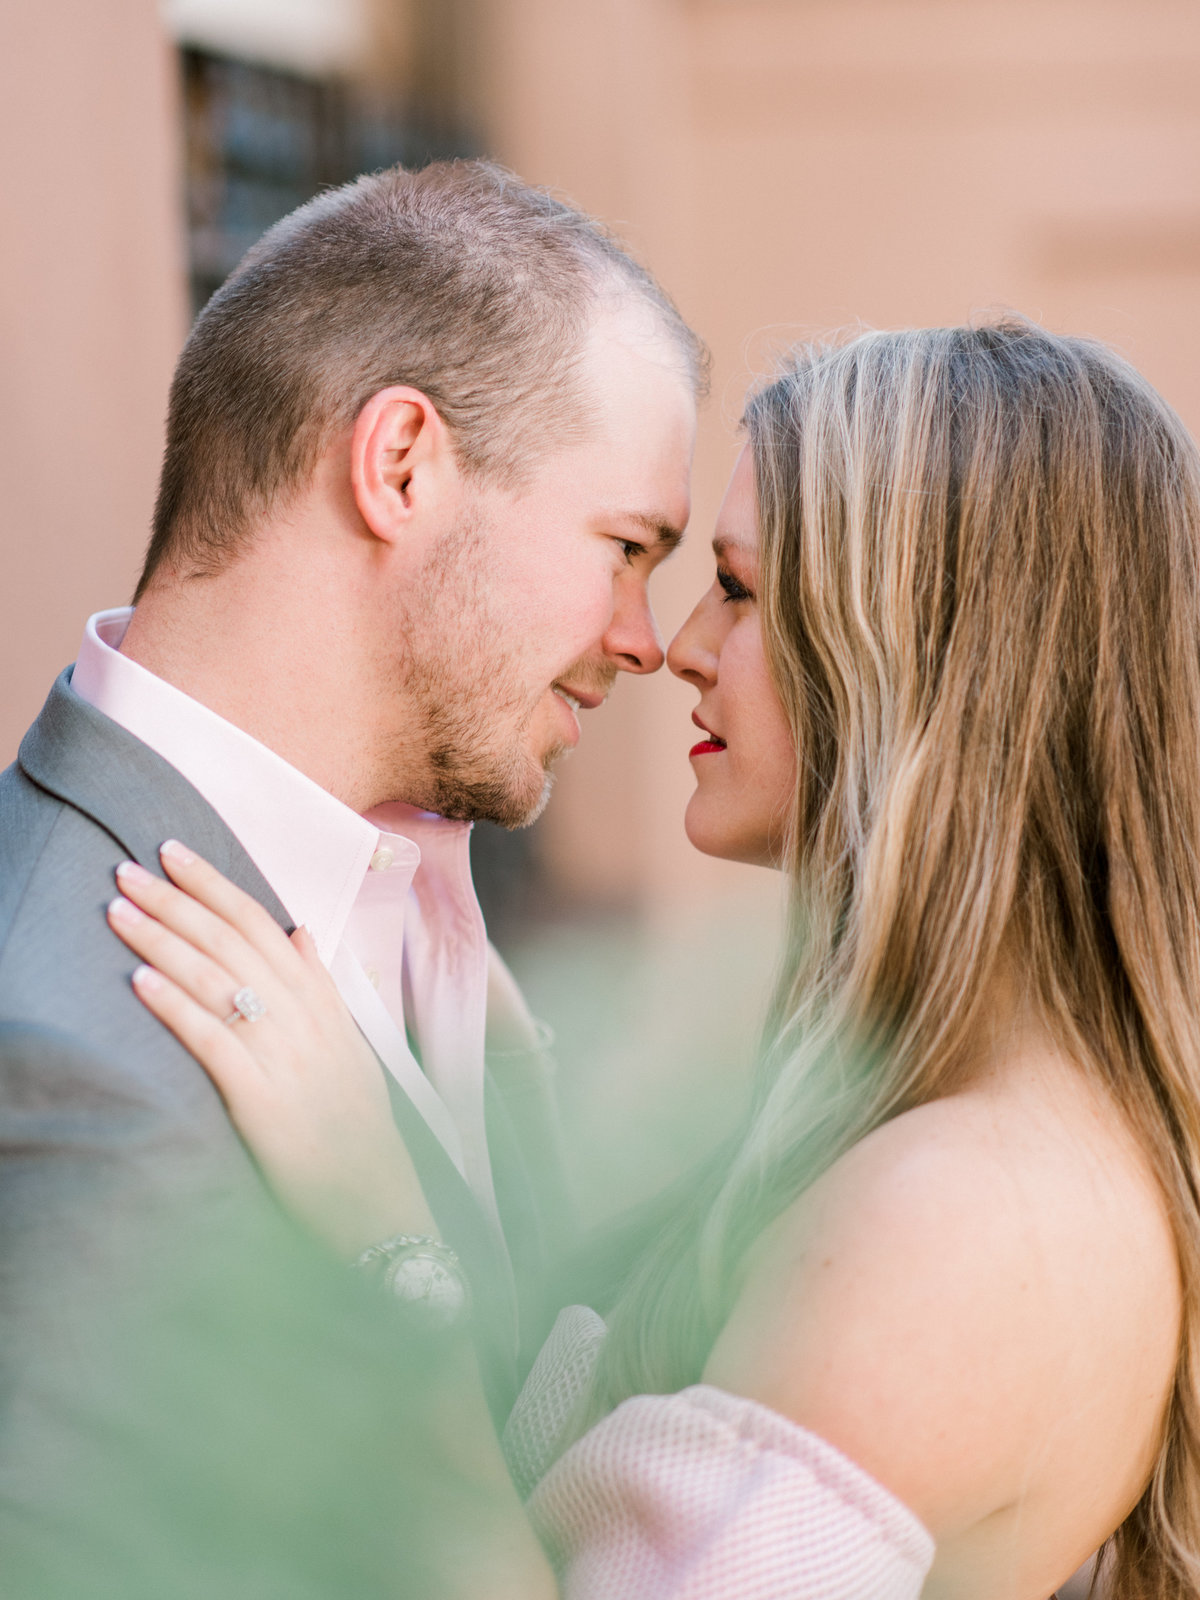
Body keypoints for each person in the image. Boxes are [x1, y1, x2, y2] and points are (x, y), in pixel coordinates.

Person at [107, 319, 1200, 1599]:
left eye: (736, 588)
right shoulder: (976, 1130)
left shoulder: (964, 1222)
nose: (676, 644)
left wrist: (385, 1242)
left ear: (916, 657)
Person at [0, 155, 705, 1505]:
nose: (644, 640)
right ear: (398, 466)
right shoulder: (62, 1054)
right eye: (625, 547)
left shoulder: (426, 910)